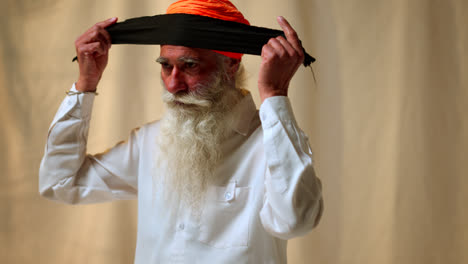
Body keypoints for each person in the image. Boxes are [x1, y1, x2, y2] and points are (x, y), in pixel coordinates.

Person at [39, 0, 323, 263]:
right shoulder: (150, 142)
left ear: (231, 65)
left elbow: (295, 221)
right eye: (166, 66)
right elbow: (60, 183)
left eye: (190, 65)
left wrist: (274, 94)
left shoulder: (271, 143)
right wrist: (86, 83)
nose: (174, 84)